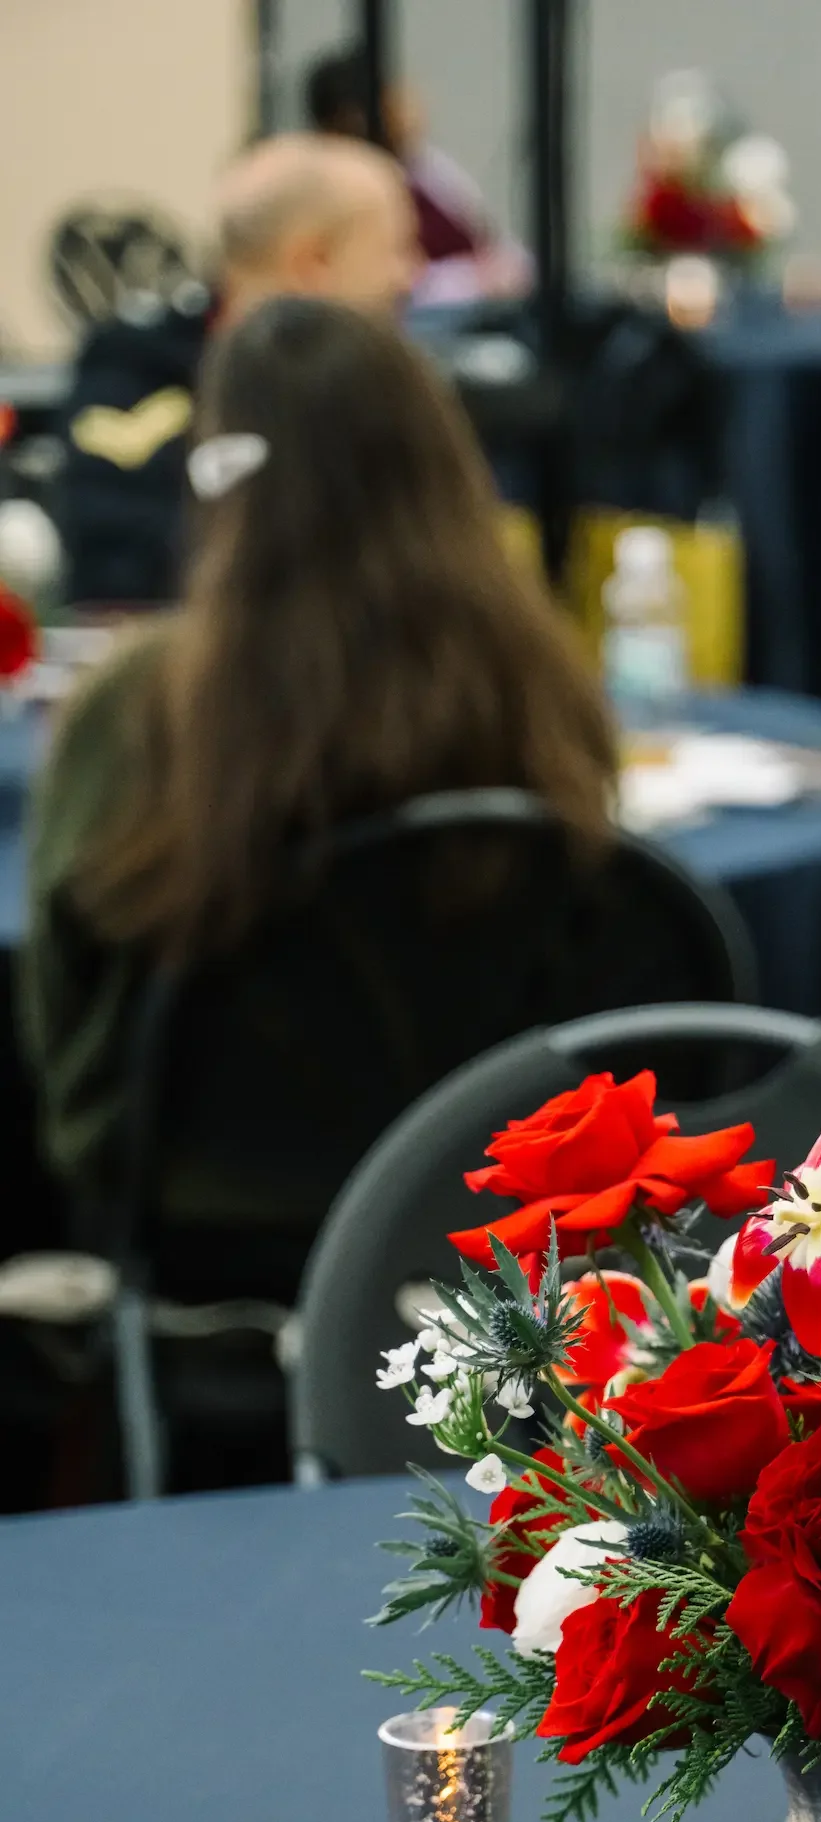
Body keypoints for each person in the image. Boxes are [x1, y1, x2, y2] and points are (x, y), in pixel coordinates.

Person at [22, 293, 627, 1308]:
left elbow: (68, 1028)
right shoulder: (539, 687)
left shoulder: (138, 708)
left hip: (202, 1230)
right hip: (497, 1235)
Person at [59, 134, 419, 608]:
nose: (409, 277)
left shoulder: (395, 393)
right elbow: (118, 563)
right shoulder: (138, 374)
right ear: (312, 262)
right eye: (395, 250)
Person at [305, 48, 533, 306]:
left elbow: (489, 241)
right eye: (394, 97)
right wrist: (475, 281)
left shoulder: (426, 165)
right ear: (353, 117)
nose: (412, 104)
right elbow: (390, 285)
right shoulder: (342, 191)